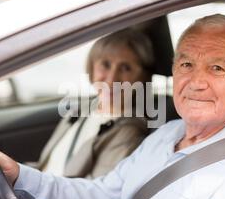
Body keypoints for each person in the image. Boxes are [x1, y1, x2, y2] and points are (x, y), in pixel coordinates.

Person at [0, 14, 225, 199]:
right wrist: (20, 178)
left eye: (216, 68)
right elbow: (103, 198)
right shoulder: (166, 134)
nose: (196, 82)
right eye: (187, 64)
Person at [36, 28, 155, 179]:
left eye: (126, 68)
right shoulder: (79, 110)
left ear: (143, 78)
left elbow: (91, 196)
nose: (112, 79)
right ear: (92, 68)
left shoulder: (129, 132)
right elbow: (48, 167)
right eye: (105, 64)